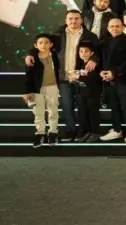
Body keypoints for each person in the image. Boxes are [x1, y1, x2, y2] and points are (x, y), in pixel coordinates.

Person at [24, 9, 98, 142]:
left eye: (76, 18)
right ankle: (70, 130)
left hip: (82, 76)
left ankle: (83, 130)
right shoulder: (57, 34)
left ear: (81, 20)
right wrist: (30, 53)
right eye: (70, 18)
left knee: (83, 105)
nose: (73, 21)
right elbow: (43, 43)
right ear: (66, 20)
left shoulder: (90, 36)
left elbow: (98, 51)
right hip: (63, 77)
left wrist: (94, 59)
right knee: (67, 105)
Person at [99, 18, 126, 142]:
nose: (114, 28)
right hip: (108, 80)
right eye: (112, 26)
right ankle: (117, 130)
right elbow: (102, 60)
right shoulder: (105, 42)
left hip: (125, 80)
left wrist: (115, 73)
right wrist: (102, 72)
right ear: (108, 28)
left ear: (123, 27)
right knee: (114, 106)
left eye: (117, 26)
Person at [23, 34, 60, 147]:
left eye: (46, 42)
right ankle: (40, 133)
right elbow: (28, 76)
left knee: (53, 111)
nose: (43, 45)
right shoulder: (32, 58)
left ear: (51, 44)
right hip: (37, 89)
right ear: (36, 45)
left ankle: (53, 133)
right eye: (40, 43)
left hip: (53, 87)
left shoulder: (56, 55)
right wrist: (27, 91)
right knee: (38, 113)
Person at [70, 41, 102, 142]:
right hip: (82, 92)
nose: (83, 53)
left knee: (93, 114)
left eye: (86, 51)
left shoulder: (93, 64)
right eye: (81, 51)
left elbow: (94, 79)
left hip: (93, 93)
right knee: (83, 113)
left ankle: (95, 133)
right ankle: (87, 132)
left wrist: (78, 77)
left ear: (92, 53)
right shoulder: (81, 64)